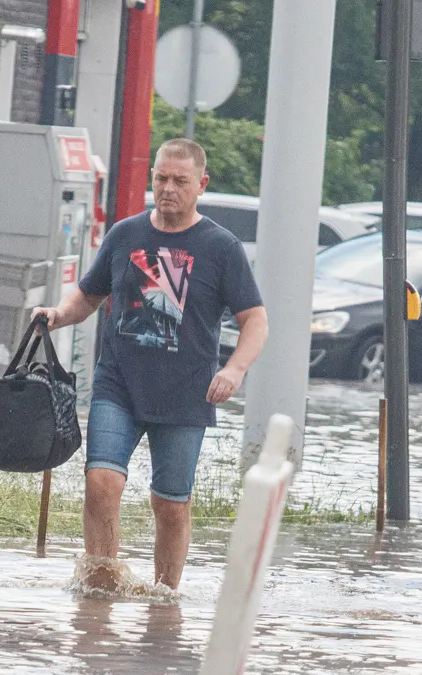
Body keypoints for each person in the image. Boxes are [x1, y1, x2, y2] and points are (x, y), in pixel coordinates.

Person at [33, 139, 267, 591]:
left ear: (202, 184)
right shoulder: (126, 234)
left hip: (187, 391)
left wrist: (235, 369)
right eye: (161, 178)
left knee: (171, 505)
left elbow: (255, 320)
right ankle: (100, 590)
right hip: (118, 384)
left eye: (180, 180)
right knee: (101, 482)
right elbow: (89, 295)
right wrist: (58, 314)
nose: (168, 188)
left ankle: (164, 599)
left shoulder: (221, 247)